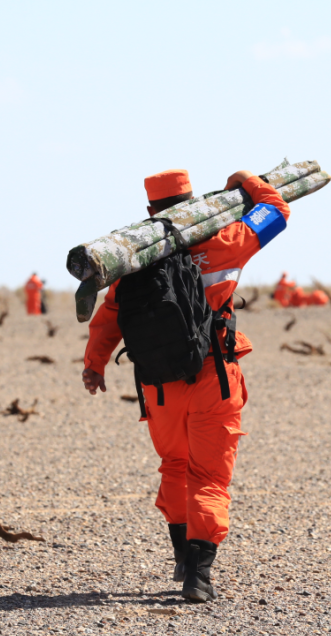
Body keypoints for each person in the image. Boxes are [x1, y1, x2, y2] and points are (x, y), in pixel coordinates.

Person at [82, 167, 290, 603]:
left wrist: (94, 365)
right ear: (196, 203)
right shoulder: (226, 241)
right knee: (209, 477)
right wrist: (245, 181)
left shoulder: (133, 259)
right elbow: (276, 210)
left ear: (150, 210)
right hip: (214, 377)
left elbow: (108, 319)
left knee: (175, 467)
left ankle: (181, 557)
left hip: (158, 386)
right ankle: (199, 575)